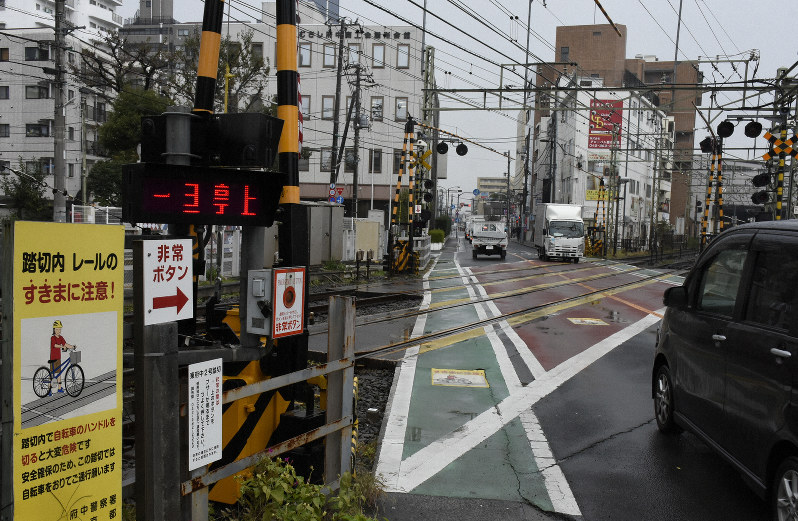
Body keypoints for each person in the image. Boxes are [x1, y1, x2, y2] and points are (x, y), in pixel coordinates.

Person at [49, 320, 75, 395]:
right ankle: (49, 389)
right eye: (57, 329)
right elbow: (55, 345)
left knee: (59, 373)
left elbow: (65, 344)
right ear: (54, 330)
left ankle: (59, 388)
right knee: (52, 374)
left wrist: (72, 346)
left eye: (60, 329)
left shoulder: (61, 337)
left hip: (58, 358)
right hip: (53, 358)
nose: (58, 331)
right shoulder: (53, 338)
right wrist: (61, 346)